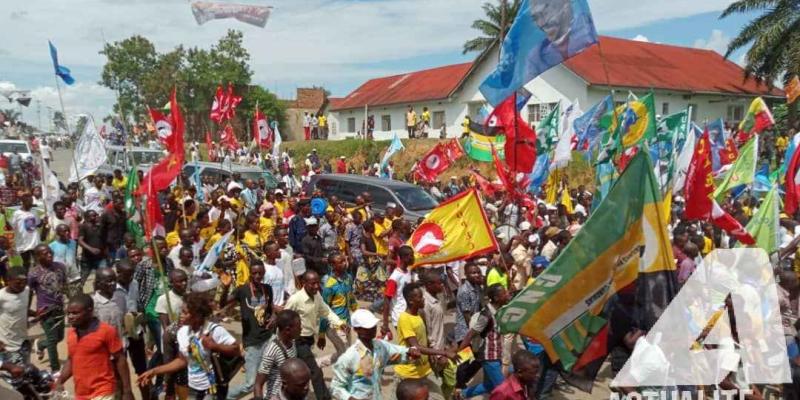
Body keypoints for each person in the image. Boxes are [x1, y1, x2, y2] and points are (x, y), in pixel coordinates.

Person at [138, 292, 241, 399]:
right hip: (193, 388)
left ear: (197, 315)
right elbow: (182, 361)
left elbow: (236, 349)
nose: (181, 315)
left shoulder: (213, 330)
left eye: (185, 312)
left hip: (213, 388)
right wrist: (154, 371)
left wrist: (214, 346)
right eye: (181, 311)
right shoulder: (183, 332)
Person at [55, 293, 134, 400]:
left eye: (75, 313)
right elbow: (71, 360)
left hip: (103, 391)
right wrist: (60, 381)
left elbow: (120, 359)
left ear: (89, 311)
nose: (70, 317)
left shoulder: (106, 331)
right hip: (81, 394)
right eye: (68, 313)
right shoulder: (71, 334)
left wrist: (127, 391)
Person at [331, 309, 423, 400]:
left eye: (374, 325)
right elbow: (335, 387)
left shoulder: (381, 346)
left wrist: (411, 352)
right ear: (356, 329)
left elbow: (400, 352)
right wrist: (350, 398)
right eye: (368, 327)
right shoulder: (349, 357)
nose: (373, 329)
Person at [284, 270, 348, 400]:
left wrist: (339, 323)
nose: (316, 286)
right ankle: (324, 397)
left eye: (317, 283)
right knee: (315, 372)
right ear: (304, 283)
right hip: (297, 340)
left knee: (299, 373)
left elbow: (326, 311)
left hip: (308, 339)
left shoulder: (317, 295)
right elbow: (284, 319)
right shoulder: (296, 299)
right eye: (312, 284)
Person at [219, 263, 274, 400]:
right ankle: (223, 396)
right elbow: (223, 304)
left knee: (272, 373)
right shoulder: (242, 290)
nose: (257, 276)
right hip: (252, 342)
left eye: (260, 273)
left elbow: (271, 309)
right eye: (254, 273)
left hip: (268, 338)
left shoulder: (267, 289)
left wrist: (274, 317)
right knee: (250, 384)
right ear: (250, 273)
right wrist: (225, 288)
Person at [394, 282, 455, 400]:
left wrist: (432, 354)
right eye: (420, 297)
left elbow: (424, 336)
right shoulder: (404, 318)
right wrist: (443, 352)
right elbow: (416, 346)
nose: (423, 300)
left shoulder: (420, 314)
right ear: (411, 300)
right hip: (408, 374)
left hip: (423, 371)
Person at [455, 284, 513, 399]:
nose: (507, 295)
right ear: (496, 298)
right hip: (489, 357)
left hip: (497, 355)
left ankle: (461, 395)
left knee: (489, 385)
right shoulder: (486, 315)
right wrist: (459, 353)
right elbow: (470, 334)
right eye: (504, 293)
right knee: (503, 388)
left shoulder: (499, 310)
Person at [29, 244, 66, 372]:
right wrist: (29, 311)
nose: (49, 255)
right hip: (45, 311)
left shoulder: (60, 267)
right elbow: (28, 293)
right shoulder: (34, 274)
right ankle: (55, 370)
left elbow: (64, 286)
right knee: (52, 339)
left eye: (50, 252)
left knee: (59, 337)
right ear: (37, 257)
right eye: (45, 253)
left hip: (59, 308)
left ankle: (40, 345)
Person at [319, 252, 357, 367]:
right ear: (332, 265)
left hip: (347, 323)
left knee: (345, 353)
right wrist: (321, 334)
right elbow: (324, 310)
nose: (344, 263)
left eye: (344, 260)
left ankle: (316, 365)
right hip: (334, 326)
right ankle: (316, 365)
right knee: (346, 354)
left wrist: (358, 313)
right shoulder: (329, 285)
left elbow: (351, 298)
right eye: (340, 262)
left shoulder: (348, 278)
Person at [254, 310, 301, 400]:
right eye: (298, 327)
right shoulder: (272, 350)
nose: (301, 329)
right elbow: (258, 384)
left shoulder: (293, 341)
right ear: (288, 330)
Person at [0, 267, 33, 372]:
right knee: (16, 375)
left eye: (24, 282)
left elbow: (23, 307)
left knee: (25, 372)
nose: (22, 286)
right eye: (18, 283)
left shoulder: (27, 291)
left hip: (24, 342)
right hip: (8, 345)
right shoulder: (1, 297)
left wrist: (36, 314)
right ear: (7, 281)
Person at [382, 245, 414, 339]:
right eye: (410, 256)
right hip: (399, 316)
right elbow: (387, 300)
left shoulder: (408, 272)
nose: (412, 258)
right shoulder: (394, 277)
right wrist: (385, 324)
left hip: (408, 314)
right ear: (403, 258)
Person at [12, 190, 46, 271]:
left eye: (31, 202)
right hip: (23, 242)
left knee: (38, 261)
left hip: (34, 241)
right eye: (29, 202)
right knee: (26, 262)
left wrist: (43, 222)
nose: (31, 204)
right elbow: (12, 227)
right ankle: (27, 279)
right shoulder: (17, 214)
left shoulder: (34, 212)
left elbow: (38, 224)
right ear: (23, 202)